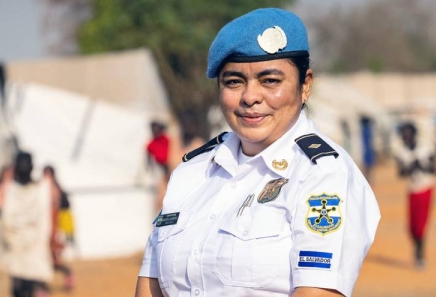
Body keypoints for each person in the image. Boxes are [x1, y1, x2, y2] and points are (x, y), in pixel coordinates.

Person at [136, 8, 381, 297]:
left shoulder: (323, 174)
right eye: (233, 81)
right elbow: (150, 285)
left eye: (270, 81)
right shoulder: (192, 172)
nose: (250, 97)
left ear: (305, 86)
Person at [0, 152, 59, 297]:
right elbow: (61, 202)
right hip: (28, 253)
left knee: (23, 288)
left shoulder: (10, 190)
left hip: (23, 253)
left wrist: (2, 179)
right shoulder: (41, 190)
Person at [394, 122, 436, 270]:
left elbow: (434, 168)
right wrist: (410, 167)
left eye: (407, 133)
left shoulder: (425, 148)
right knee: (411, 227)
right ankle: (417, 247)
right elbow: (400, 173)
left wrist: (422, 165)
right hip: (412, 189)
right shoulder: (401, 152)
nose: (405, 136)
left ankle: (420, 255)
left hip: (426, 187)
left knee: (420, 225)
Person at [43, 165, 75, 291]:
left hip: (54, 230)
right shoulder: (40, 189)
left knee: (55, 259)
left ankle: (68, 274)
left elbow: (64, 210)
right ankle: (42, 287)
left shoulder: (57, 191)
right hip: (43, 230)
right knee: (43, 259)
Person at [146, 120, 171, 210]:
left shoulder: (166, 140)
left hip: (169, 167)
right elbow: (148, 158)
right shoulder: (151, 143)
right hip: (159, 168)